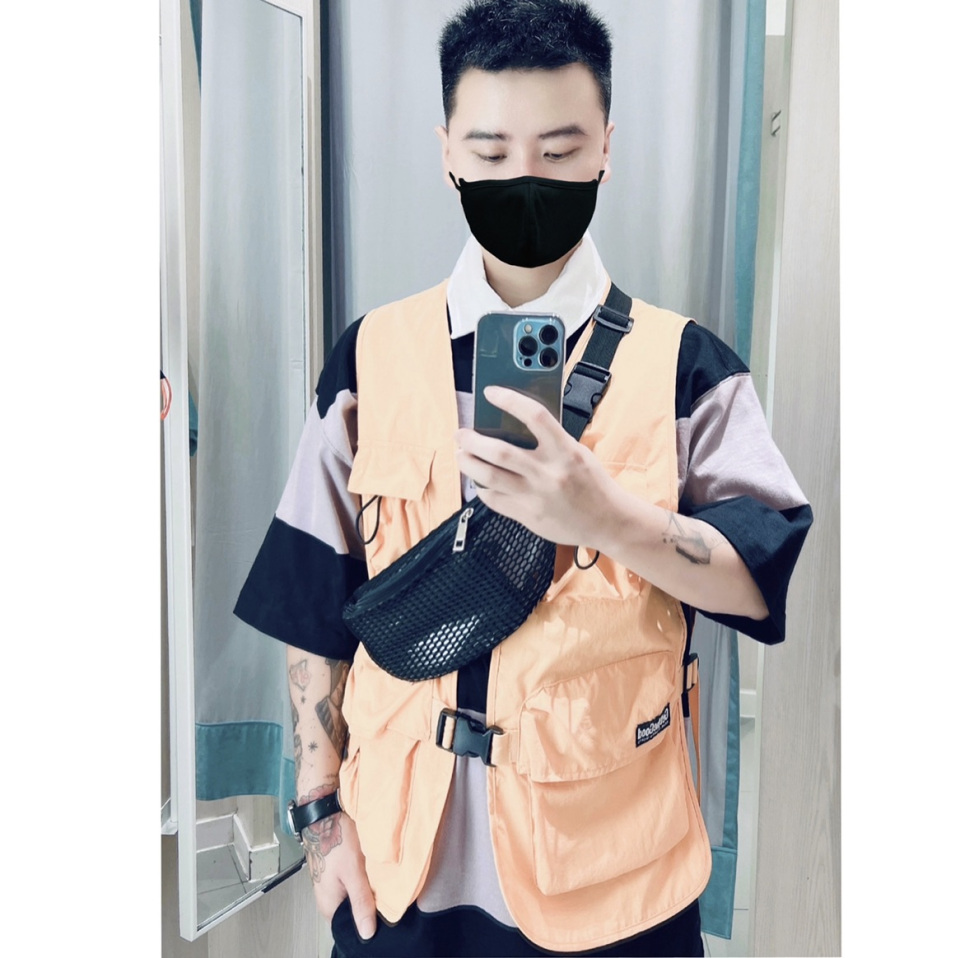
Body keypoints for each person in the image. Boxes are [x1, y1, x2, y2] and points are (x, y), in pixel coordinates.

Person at [234, 1, 812, 955]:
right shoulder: (371, 357)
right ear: (448, 153)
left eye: (559, 149)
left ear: (605, 148)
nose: (523, 178)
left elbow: (759, 580)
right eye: (492, 151)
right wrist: (321, 817)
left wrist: (608, 517)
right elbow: (312, 602)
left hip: (614, 877)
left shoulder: (687, 367)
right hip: (399, 870)